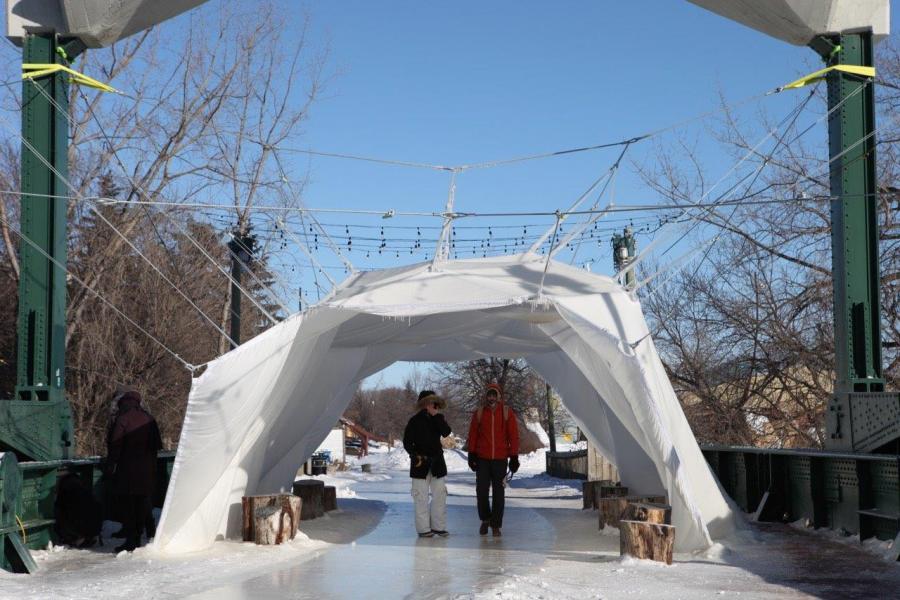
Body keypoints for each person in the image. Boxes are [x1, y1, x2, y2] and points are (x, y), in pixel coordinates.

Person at [106, 389, 162, 552]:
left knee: (129, 505)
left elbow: (115, 445)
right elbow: (157, 445)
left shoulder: (123, 419)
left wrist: (111, 466)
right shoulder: (149, 418)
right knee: (142, 500)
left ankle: (132, 539)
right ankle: (149, 530)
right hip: (147, 469)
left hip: (127, 470)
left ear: (123, 403)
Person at [466, 383, 520, 537]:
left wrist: (514, 457)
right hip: (482, 459)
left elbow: (513, 436)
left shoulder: (507, 412)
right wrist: (471, 454)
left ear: (498, 396)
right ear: (486, 397)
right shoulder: (479, 413)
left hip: (500, 460)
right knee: (481, 492)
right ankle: (485, 519)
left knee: (499, 494)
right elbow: (473, 435)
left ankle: (496, 525)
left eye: (494, 395)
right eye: (489, 395)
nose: (491, 398)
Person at [403, 390, 452, 538]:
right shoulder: (414, 421)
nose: (433, 405)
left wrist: (436, 416)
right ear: (424, 404)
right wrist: (415, 455)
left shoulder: (439, 418)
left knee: (440, 495)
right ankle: (423, 529)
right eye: (430, 402)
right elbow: (407, 442)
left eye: (434, 403)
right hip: (420, 464)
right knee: (420, 497)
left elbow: (446, 432)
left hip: (437, 464)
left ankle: (438, 526)